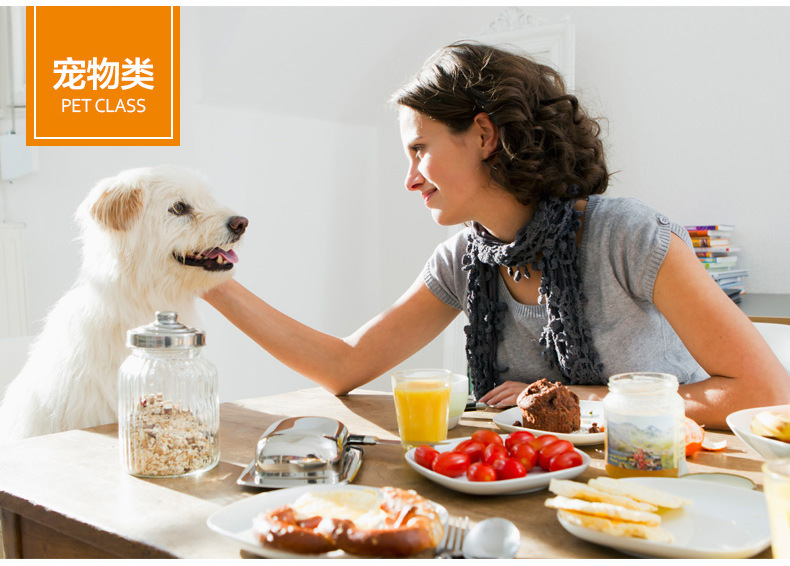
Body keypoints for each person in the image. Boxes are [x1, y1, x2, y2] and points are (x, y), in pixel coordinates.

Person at [203, 41, 788, 429]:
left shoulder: (628, 237)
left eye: (419, 150)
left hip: (664, 485)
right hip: (540, 491)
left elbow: (765, 394)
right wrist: (211, 281)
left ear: (483, 135)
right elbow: (344, 365)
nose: (409, 181)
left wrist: (587, 402)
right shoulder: (464, 258)